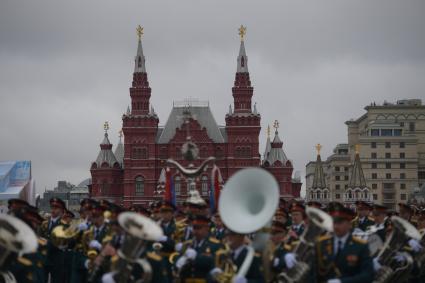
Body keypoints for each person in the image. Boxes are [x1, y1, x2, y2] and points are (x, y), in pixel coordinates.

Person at [312, 202, 374, 283]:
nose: (336, 226)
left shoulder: (361, 246)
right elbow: (314, 272)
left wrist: (342, 282)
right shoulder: (321, 243)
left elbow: (368, 275)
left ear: (349, 224)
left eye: (340, 223)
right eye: (334, 222)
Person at [173, 214, 223, 283]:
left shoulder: (215, 244)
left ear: (206, 228)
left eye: (199, 228)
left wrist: (197, 257)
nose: (196, 231)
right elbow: (177, 264)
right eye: (194, 228)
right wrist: (178, 262)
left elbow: (215, 264)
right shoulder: (187, 244)